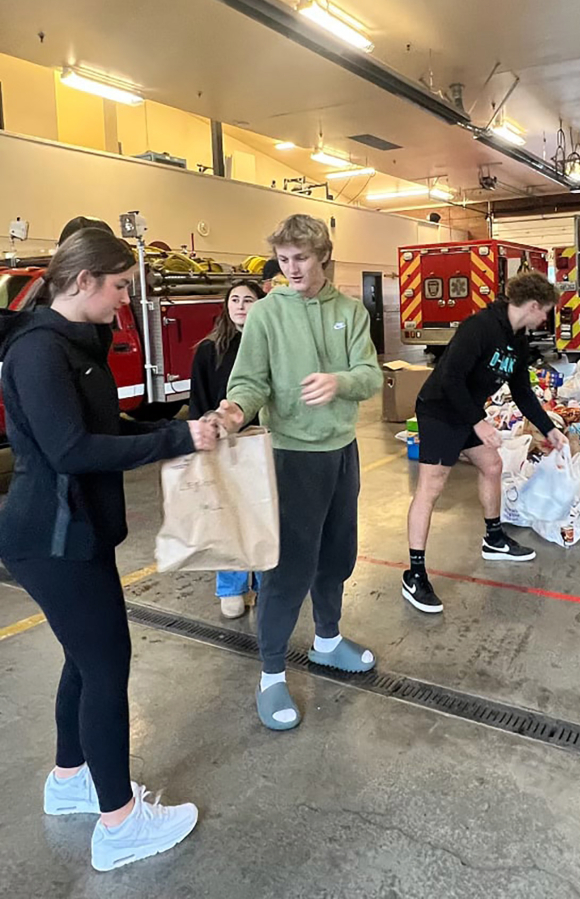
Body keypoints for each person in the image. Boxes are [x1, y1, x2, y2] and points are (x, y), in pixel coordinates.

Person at [0, 228, 219, 872]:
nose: (126, 301)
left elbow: (108, 427)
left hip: (79, 531)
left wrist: (183, 429)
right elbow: (72, 451)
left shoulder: (75, 345)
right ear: (85, 279)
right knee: (104, 667)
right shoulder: (39, 351)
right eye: (121, 286)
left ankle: (71, 780)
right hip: (52, 537)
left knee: (82, 657)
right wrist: (174, 444)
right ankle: (120, 822)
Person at [217, 214, 382, 731]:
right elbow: (249, 381)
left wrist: (340, 383)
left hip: (341, 450)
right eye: (284, 260)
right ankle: (270, 675)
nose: (291, 269)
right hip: (290, 456)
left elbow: (370, 374)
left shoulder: (350, 311)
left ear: (323, 256)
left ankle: (328, 640)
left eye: (301, 259)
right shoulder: (266, 314)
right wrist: (234, 411)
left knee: (336, 554)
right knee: (285, 568)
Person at [402, 271, 568, 614]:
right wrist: (478, 422)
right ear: (534, 305)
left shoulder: (518, 339)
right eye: (546, 311)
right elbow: (449, 378)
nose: (545, 319)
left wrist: (547, 427)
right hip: (438, 409)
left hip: (465, 411)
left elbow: (521, 390)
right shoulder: (480, 327)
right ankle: (414, 574)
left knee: (492, 464)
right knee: (431, 487)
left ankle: (494, 538)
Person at [190, 279, 264, 618]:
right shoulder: (209, 349)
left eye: (248, 300)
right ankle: (232, 588)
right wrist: (203, 441)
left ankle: (265, 585)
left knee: (263, 514)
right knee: (228, 518)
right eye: (234, 299)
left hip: (263, 444)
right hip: (223, 447)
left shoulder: (269, 345)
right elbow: (198, 400)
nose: (239, 305)